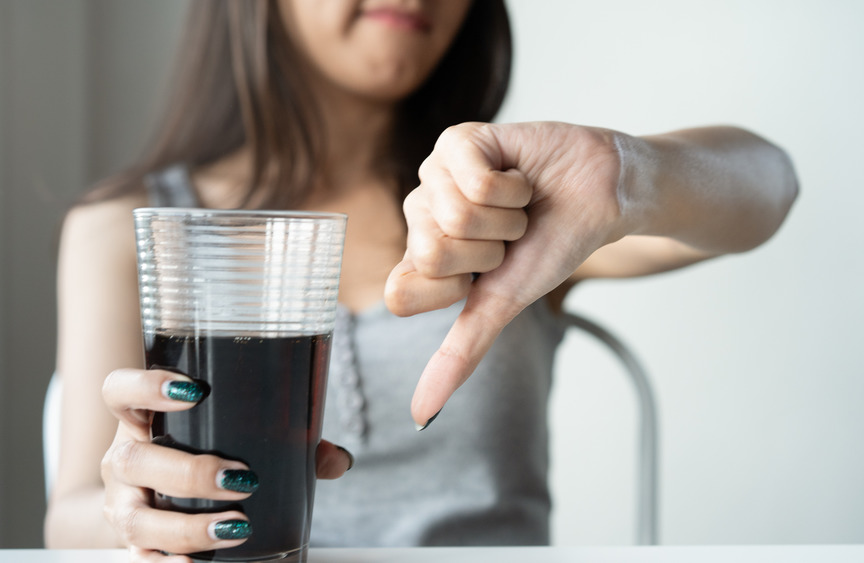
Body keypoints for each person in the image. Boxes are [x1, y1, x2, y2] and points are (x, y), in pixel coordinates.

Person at [44, 0, 798, 559]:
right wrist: (126, 512)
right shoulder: (129, 229)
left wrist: (623, 171)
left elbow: (770, 185)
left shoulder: (508, 204)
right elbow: (70, 516)